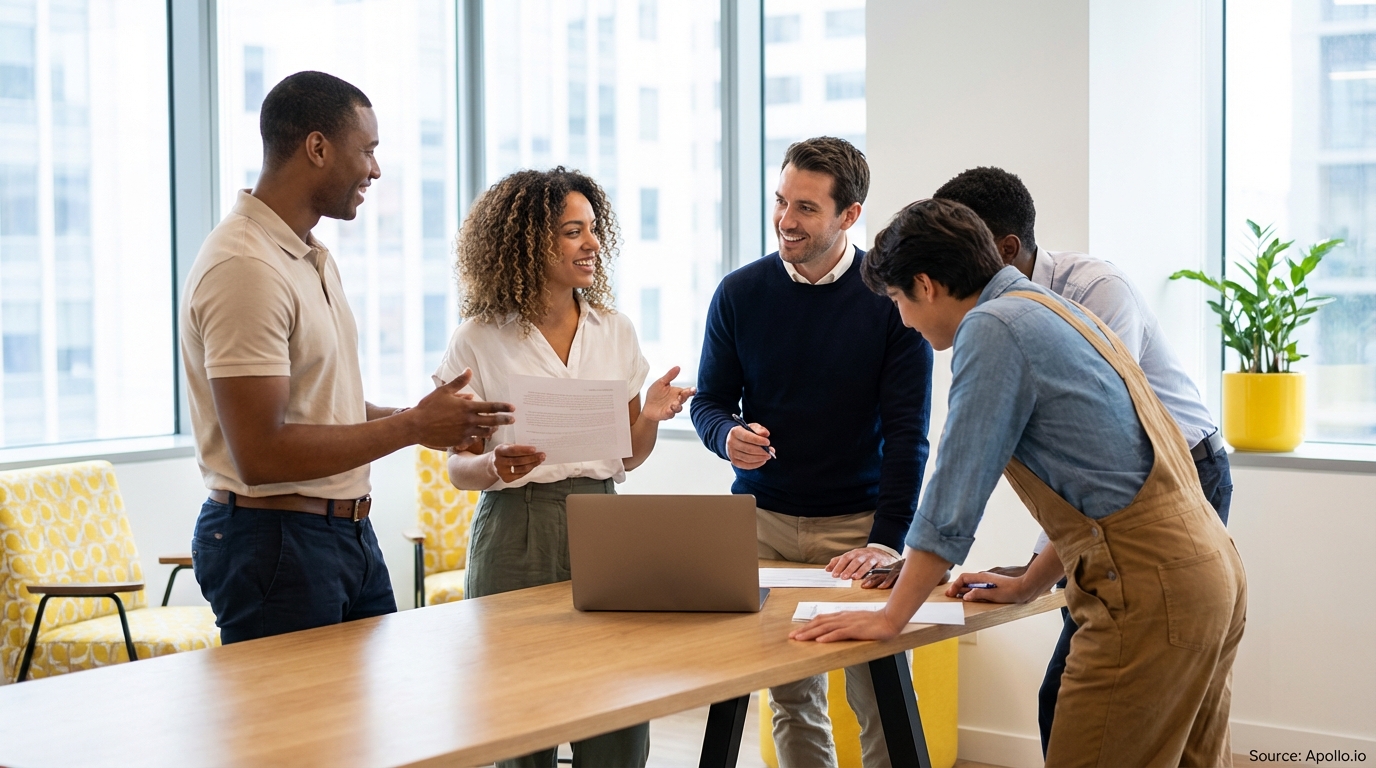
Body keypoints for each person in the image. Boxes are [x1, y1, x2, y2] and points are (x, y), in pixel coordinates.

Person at [794, 198, 1247, 767]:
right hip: (1208, 573)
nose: (902, 319)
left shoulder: (992, 326)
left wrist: (891, 617)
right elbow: (1104, 487)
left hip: (1151, 589)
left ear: (927, 285)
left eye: (897, 300)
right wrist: (1031, 583)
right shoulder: (1049, 307)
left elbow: (956, 487)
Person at [182, 71, 513, 644]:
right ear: (317, 147)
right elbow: (261, 451)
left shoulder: (307, 255)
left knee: (364, 733)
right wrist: (412, 427)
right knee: (294, 734)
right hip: (276, 541)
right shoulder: (246, 266)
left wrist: (425, 422)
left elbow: (319, 403)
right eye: (368, 150)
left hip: (342, 535)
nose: (375, 170)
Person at [935, 166, 1233, 753]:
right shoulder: (1000, 316)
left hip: (1183, 478)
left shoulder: (1092, 292)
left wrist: (1033, 576)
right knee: (1112, 694)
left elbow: (1100, 445)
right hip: (1113, 507)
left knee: (1109, 686)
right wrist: (1031, 578)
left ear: (1005, 248)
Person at [436, 167, 692, 768]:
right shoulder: (478, 337)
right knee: (520, 718)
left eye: (594, 230)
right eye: (572, 231)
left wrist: (650, 415)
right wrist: (496, 466)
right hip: (514, 527)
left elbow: (626, 455)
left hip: (603, 519)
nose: (592, 244)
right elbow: (458, 467)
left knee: (617, 713)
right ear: (527, 242)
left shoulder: (616, 331)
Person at [691, 137, 934, 768]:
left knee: (879, 693)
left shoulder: (891, 300)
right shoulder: (739, 293)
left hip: (857, 532)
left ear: (849, 216)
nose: (785, 221)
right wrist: (727, 437)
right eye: (780, 201)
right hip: (760, 526)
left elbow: (909, 433)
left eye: (805, 208)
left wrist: (886, 538)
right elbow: (710, 402)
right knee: (790, 694)